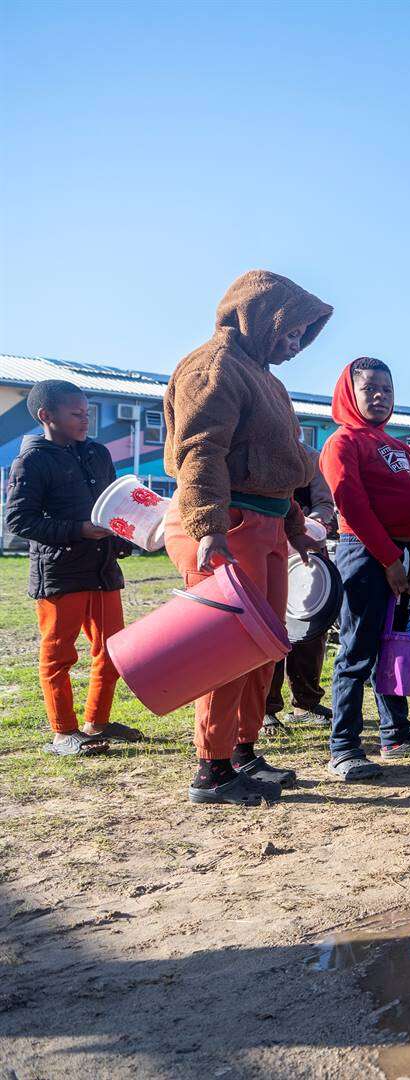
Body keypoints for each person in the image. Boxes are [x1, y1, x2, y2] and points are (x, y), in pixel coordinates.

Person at [162, 269, 329, 806]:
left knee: (266, 646)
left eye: (304, 335)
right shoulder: (213, 368)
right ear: (260, 317)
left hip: (269, 526)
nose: (296, 344)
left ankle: (243, 751)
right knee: (228, 650)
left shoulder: (267, 379)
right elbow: (201, 452)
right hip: (227, 525)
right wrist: (208, 528)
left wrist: (296, 530)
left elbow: (275, 470)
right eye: (291, 331)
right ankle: (211, 769)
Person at [320, 357, 410, 781]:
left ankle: (396, 733)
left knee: (391, 646)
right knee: (358, 650)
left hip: (405, 555)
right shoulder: (343, 443)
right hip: (365, 554)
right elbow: (353, 507)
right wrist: (389, 560)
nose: (380, 396)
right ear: (350, 394)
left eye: (387, 389)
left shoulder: (396, 446)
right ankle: (344, 747)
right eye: (370, 388)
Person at [5, 379, 140, 756]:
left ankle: (97, 721)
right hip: (60, 573)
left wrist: (127, 536)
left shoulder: (97, 452)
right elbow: (19, 520)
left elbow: (113, 506)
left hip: (103, 570)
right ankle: (63, 733)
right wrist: (78, 530)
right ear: (46, 416)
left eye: (87, 413)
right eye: (76, 414)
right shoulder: (30, 461)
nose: (86, 421)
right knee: (59, 655)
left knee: (112, 650)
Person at [265, 443, 337, 729]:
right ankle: (265, 708)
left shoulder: (310, 457)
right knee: (268, 630)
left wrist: (314, 523)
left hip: (307, 554)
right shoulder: (254, 453)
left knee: (310, 630)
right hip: (265, 550)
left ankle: (306, 703)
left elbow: (324, 503)